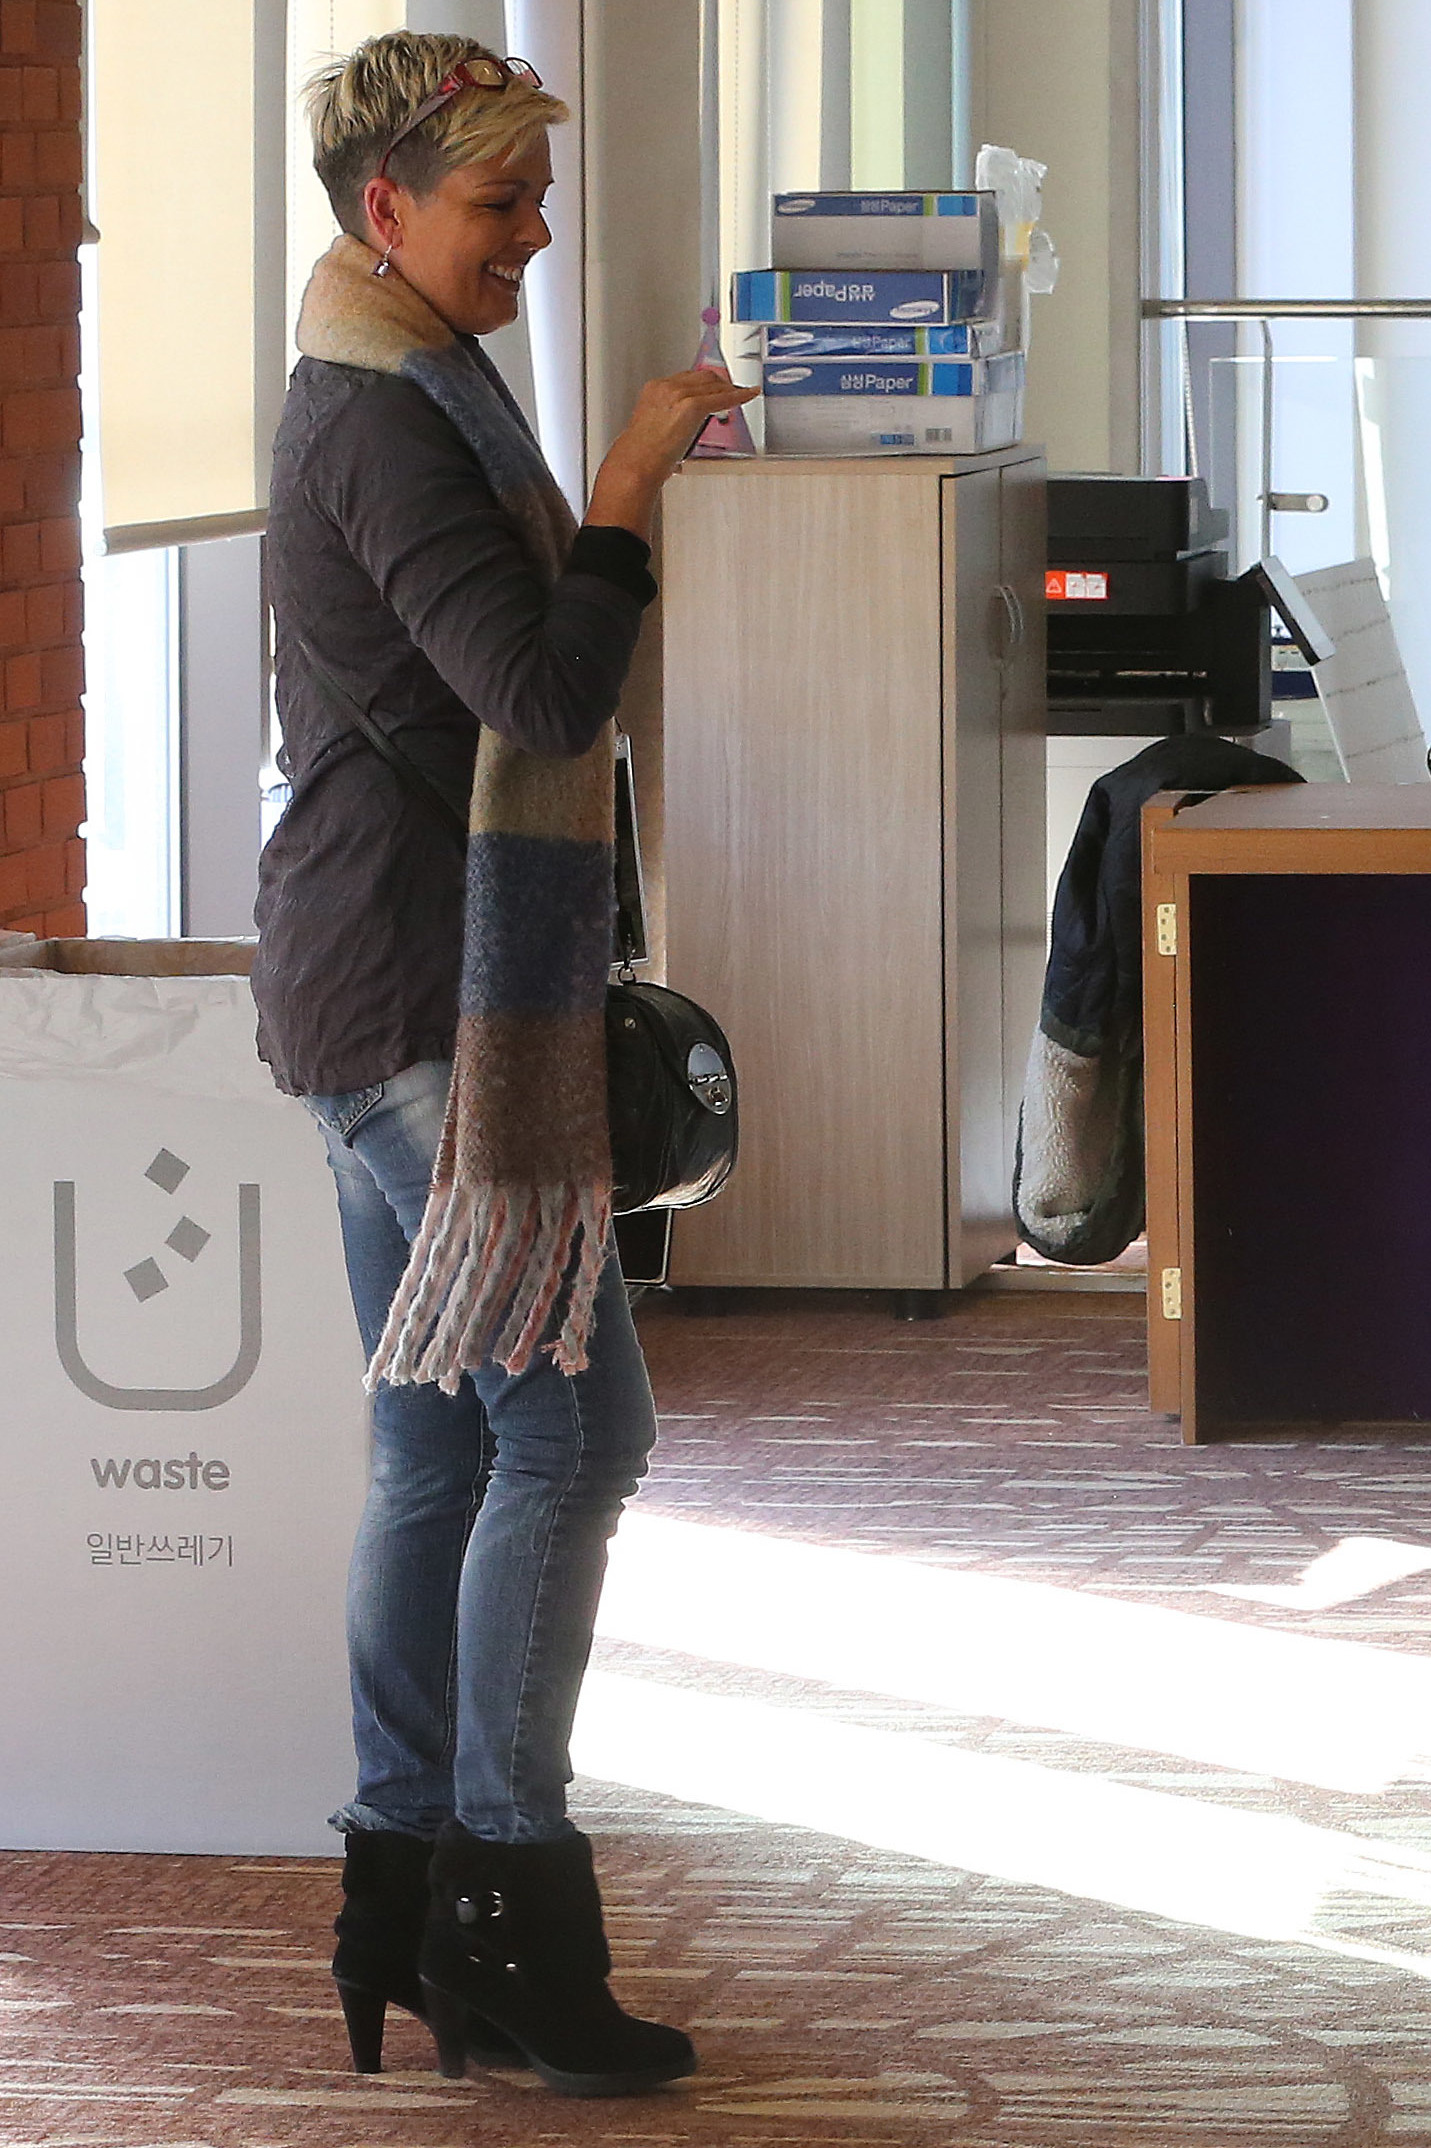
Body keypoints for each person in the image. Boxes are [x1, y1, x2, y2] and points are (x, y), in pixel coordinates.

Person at [258, 31, 753, 2096]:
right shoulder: (385, 423)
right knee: (570, 1444)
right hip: (418, 1012)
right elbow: (544, 688)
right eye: (496, 207)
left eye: (537, 201)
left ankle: (410, 1887)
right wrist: (633, 482)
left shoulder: (389, 375)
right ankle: (500, 1909)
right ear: (387, 212)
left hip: (371, 975)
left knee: (440, 1450)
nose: (531, 241)